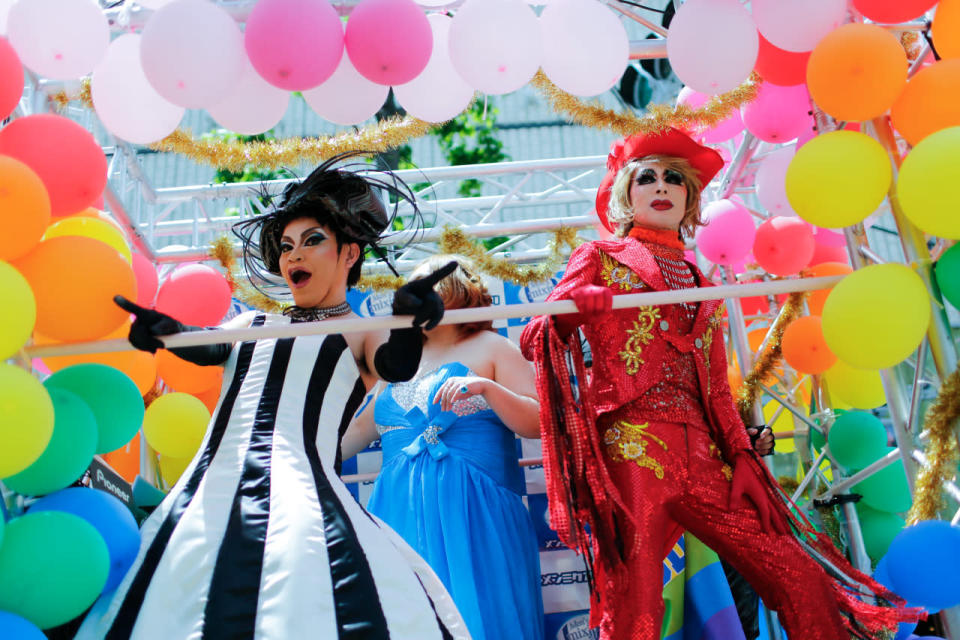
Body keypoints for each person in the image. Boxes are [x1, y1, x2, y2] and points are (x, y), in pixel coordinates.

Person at [519, 129, 919, 640]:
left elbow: (715, 389)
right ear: (627, 193)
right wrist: (572, 315)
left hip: (706, 459)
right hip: (633, 450)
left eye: (674, 179)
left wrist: (743, 457)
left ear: (689, 198)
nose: (661, 186)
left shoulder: (703, 281)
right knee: (635, 608)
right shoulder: (599, 256)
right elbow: (534, 338)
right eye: (647, 178)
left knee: (797, 575)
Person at [78, 155, 469, 639]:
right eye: (286, 247)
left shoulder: (363, 331)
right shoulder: (250, 324)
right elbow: (204, 343)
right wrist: (165, 332)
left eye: (311, 242)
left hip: (303, 499)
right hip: (205, 496)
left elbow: (397, 364)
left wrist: (412, 319)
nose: (293, 257)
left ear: (350, 254)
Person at [342, 255, 545, 640]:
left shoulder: (493, 346)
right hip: (397, 511)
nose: (417, 298)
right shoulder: (398, 363)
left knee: (478, 615)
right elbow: (354, 436)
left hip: (474, 513)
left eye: (428, 287)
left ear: (460, 290)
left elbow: (537, 423)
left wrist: (489, 389)